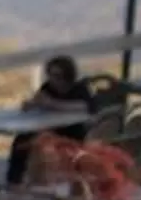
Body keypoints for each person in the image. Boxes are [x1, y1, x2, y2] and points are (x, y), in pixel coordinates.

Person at [8, 53, 98, 183]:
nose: (53, 79)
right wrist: (31, 104)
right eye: (50, 75)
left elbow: (84, 106)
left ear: (67, 76)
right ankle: (14, 179)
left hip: (74, 130)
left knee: (45, 144)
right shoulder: (48, 87)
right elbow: (38, 100)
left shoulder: (79, 89)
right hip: (51, 127)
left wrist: (52, 104)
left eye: (57, 76)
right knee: (21, 139)